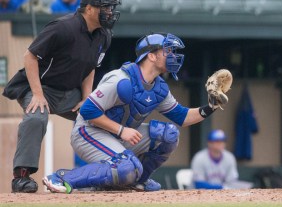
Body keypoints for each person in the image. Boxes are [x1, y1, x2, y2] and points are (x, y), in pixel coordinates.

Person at [42, 33, 233, 193]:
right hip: (88, 132)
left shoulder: (159, 87)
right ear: (151, 55)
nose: (172, 56)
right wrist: (121, 130)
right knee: (127, 166)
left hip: (118, 135)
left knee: (169, 135)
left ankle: (138, 180)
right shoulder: (121, 79)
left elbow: (182, 117)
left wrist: (211, 106)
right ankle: (63, 178)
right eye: (167, 51)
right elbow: (88, 110)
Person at [2, 0, 121, 193]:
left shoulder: (104, 35)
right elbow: (30, 56)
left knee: (103, 116)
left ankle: (110, 174)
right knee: (36, 117)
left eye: (111, 8)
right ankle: (21, 178)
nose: (110, 12)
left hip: (70, 94)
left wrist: (87, 98)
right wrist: (37, 94)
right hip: (41, 88)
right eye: (106, 7)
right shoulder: (63, 27)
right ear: (90, 9)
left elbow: (90, 68)